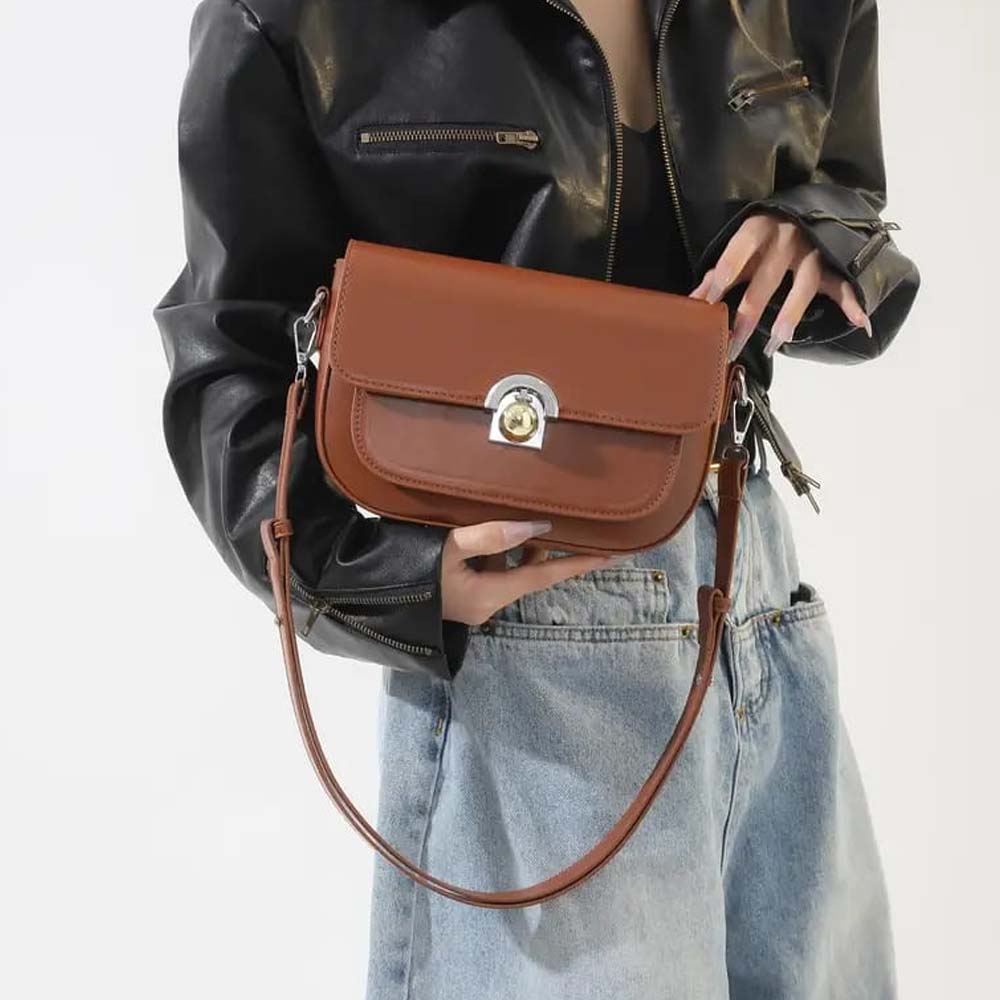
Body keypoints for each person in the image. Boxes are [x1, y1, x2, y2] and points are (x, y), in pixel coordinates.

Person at [153, 0, 920, 996]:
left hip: (761, 595)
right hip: (528, 637)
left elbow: (847, 195)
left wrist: (823, 234)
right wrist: (377, 576)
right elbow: (230, 348)